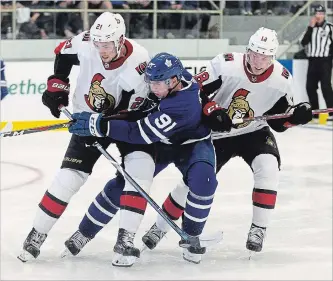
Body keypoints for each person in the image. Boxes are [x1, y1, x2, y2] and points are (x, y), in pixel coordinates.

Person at [140, 27, 313, 254]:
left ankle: (259, 228)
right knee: (191, 182)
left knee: (268, 168)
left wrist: (295, 117)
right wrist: (211, 109)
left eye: (265, 56)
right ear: (247, 51)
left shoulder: (282, 80)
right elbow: (193, 89)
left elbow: (278, 123)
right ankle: (160, 226)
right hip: (219, 134)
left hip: (254, 132)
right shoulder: (225, 64)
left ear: (273, 56)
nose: (259, 62)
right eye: (255, 54)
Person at [67, 52, 226, 266]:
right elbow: (142, 109)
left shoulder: (182, 106)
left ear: (173, 81)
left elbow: (138, 133)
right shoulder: (180, 77)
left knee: (204, 181)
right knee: (123, 185)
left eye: (158, 83)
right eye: (151, 82)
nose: (153, 88)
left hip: (192, 145)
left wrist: (100, 126)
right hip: (162, 144)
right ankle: (83, 232)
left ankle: (191, 237)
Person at [18, 12, 153, 262]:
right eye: (98, 44)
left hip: (126, 122)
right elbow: (63, 53)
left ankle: (125, 239)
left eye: (107, 45)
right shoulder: (87, 40)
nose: (101, 50)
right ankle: (36, 234)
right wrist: (57, 85)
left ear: (121, 40)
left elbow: (125, 104)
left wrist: (99, 124)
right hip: (87, 117)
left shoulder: (139, 58)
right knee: (68, 178)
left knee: (139, 172)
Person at [300, 5, 333, 122]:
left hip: (325, 61)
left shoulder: (330, 27)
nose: (318, 16)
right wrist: (310, 27)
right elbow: (304, 42)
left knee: (326, 87)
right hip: (313, 61)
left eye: (320, 13)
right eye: (317, 13)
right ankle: (315, 113)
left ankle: (331, 112)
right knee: (310, 87)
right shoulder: (310, 28)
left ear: (324, 14)